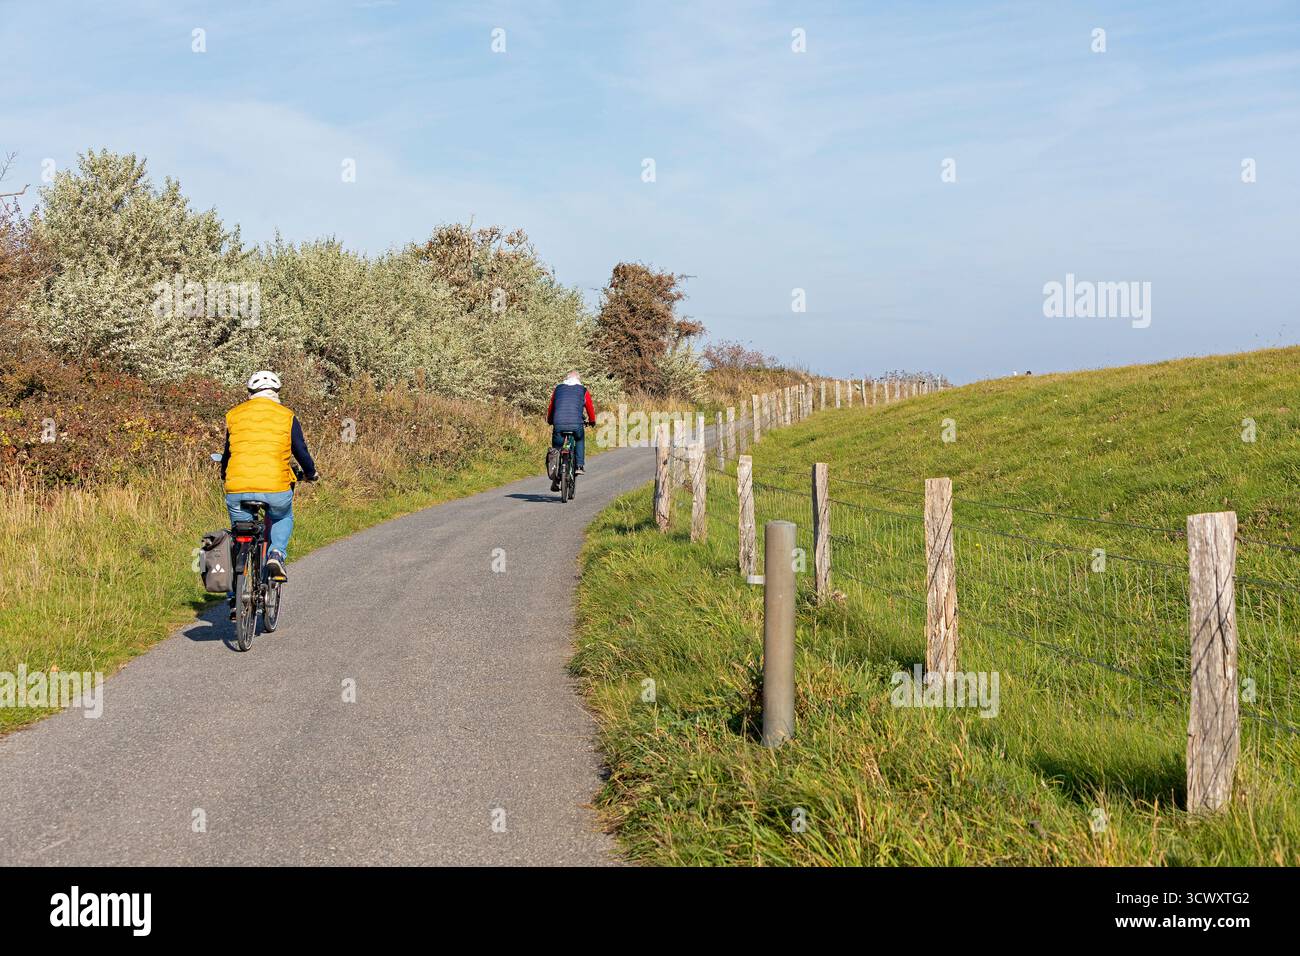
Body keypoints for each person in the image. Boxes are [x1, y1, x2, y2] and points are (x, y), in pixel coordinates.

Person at [220, 370, 318, 585]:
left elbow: (228, 452)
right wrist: (311, 473)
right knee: (282, 516)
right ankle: (276, 554)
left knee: (240, 536)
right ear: (276, 392)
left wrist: (223, 473)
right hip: (275, 487)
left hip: (237, 487)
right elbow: (300, 450)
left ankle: (234, 594)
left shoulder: (234, 415)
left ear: (250, 392)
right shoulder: (286, 416)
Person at [546, 370, 595, 492]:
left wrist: (550, 420)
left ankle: (556, 476)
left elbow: (552, 407)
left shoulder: (558, 389)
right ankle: (579, 465)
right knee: (579, 439)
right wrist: (592, 421)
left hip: (559, 424)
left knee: (557, 448)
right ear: (578, 380)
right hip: (576, 425)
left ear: (566, 379)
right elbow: (589, 407)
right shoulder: (582, 390)